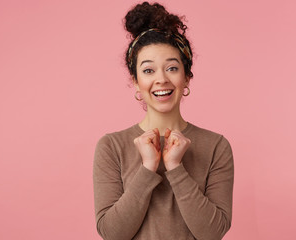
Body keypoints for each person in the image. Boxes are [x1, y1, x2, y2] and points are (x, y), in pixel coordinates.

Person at [93, 2, 234, 240]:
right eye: (148, 71)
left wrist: (176, 169)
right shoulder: (111, 147)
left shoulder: (216, 146)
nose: (161, 79)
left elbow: (212, 234)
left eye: (171, 68)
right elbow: (112, 234)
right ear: (136, 82)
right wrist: (147, 167)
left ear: (187, 77)